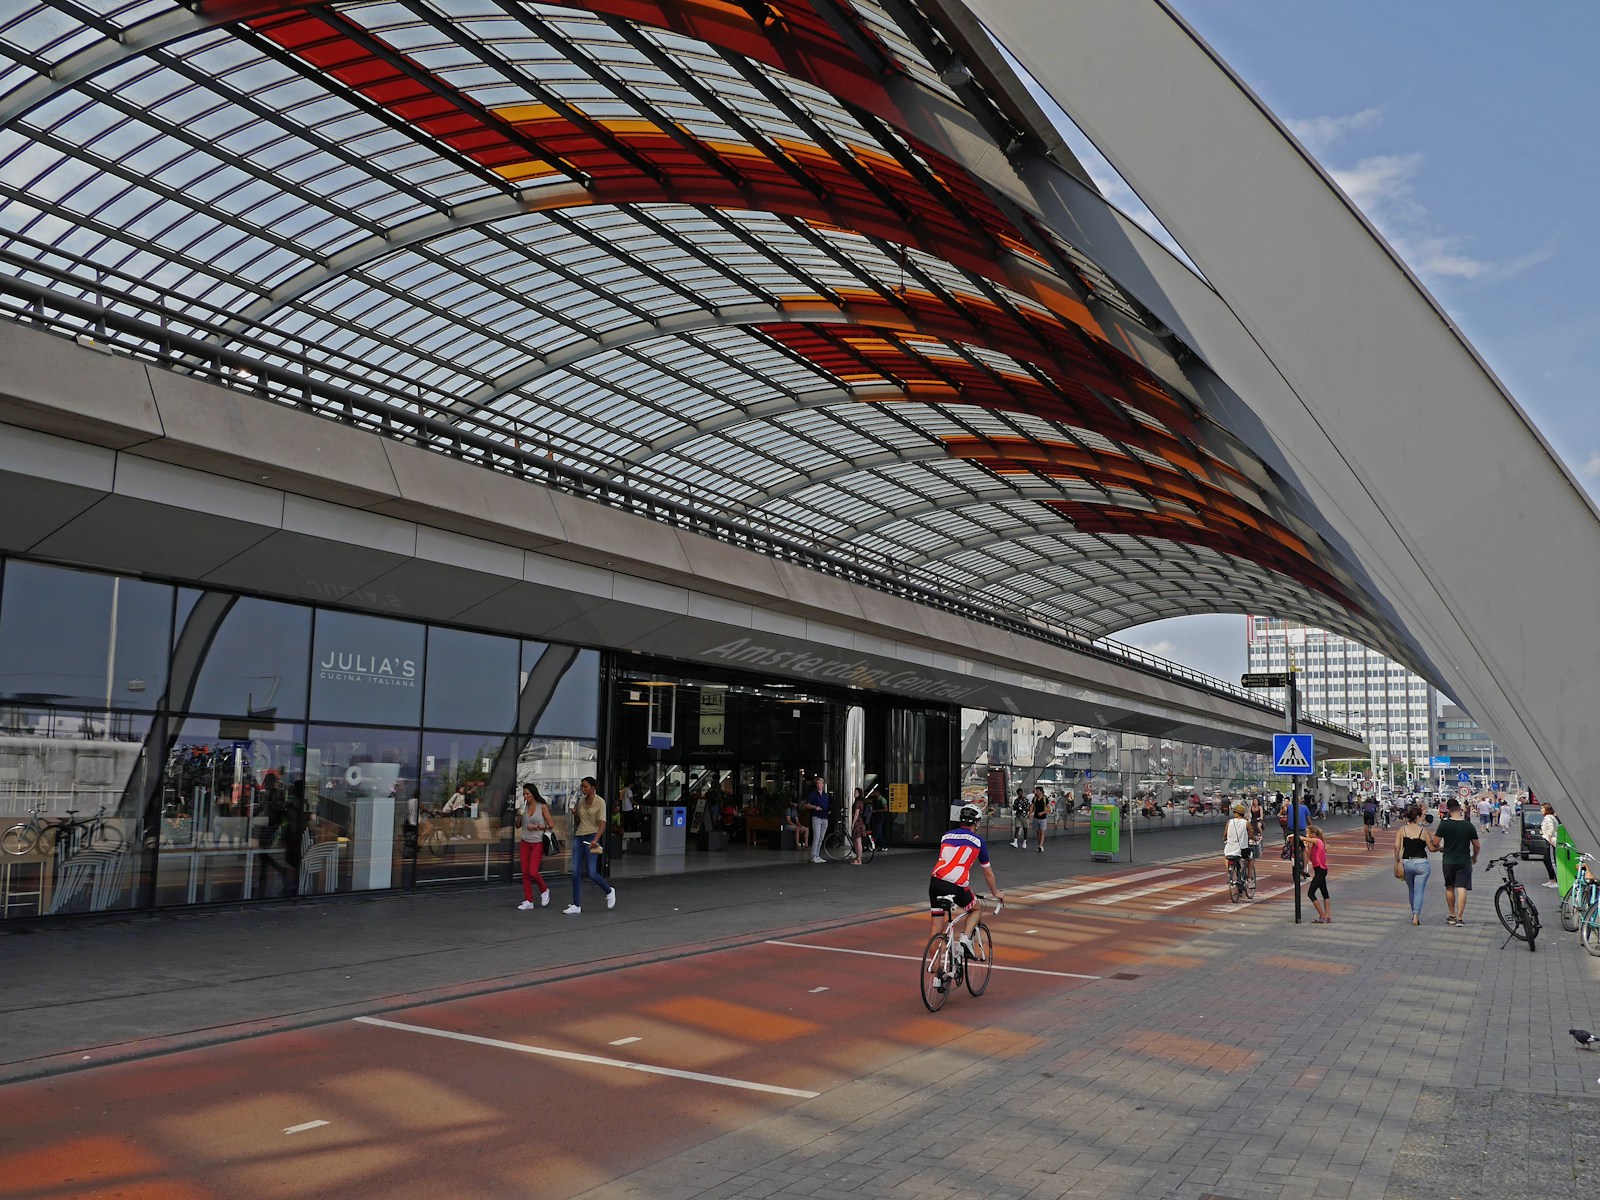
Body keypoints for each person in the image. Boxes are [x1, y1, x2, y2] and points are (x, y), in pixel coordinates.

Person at [929, 806, 1004, 980]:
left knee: (936, 929)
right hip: (957, 885)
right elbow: (987, 871)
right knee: (975, 909)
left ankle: (937, 971)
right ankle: (964, 938)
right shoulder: (978, 841)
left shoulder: (946, 836)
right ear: (976, 823)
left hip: (936, 882)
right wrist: (995, 893)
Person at [564, 776, 615, 914]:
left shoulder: (600, 802)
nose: (583, 789)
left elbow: (603, 823)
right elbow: (578, 821)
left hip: (592, 836)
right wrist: (574, 813)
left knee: (592, 872)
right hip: (579, 836)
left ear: (594, 787)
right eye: (582, 786)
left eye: (586, 786)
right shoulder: (581, 801)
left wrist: (596, 839)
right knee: (575, 872)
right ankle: (576, 905)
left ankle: (609, 891)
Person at [1428, 798, 1479, 925]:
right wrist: (1474, 856)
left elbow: (1435, 843)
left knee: (1449, 887)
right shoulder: (1468, 825)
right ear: (1459, 809)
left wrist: (1441, 848)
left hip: (1449, 860)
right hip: (1464, 860)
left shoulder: (1444, 825)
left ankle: (1452, 915)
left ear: (1448, 810)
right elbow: (1477, 845)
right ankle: (1460, 918)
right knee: (1462, 888)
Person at [516, 782, 553, 910]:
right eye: (524, 794)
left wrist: (537, 826)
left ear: (533, 793)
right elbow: (517, 825)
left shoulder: (542, 806)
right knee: (525, 873)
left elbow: (551, 825)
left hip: (537, 842)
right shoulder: (524, 807)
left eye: (528, 794)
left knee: (533, 871)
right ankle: (528, 900)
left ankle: (544, 889)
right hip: (525, 842)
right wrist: (519, 814)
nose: (525, 796)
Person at [1394, 803, 1431, 925]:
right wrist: (1440, 848)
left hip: (1407, 862)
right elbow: (1431, 848)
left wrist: (1397, 861)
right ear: (1418, 817)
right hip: (1421, 863)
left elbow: (1397, 847)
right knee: (1419, 890)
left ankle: (1413, 914)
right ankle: (1416, 915)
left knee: (1412, 889)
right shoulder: (1423, 831)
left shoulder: (1402, 830)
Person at [1304, 823, 1331, 922]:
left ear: (1312, 834)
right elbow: (1312, 859)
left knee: (1311, 893)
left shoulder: (1318, 841)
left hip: (1320, 870)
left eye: (1308, 833)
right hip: (1319, 870)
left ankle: (1322, 915)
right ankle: (1327, 916)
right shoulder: (1315, 845)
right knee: (1324, 892)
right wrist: (1307, 848)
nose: (1307, 835)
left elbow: (1307, 839)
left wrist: (1301, 838)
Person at [1222, 804, 1250, 900]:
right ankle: (1249, 879)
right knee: (1250, 858)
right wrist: (1254, 839)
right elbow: (1251, 834)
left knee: (1226, 857)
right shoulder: (1246, 823)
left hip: (1230, 848)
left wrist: (1226, 838)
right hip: (1242, 849)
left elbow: (1225, 834)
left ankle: (1230, 872)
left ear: (1236, 813)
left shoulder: (1229, 822)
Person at [804, 777, 831, 863]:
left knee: (821, 838)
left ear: (823, 785)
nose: (819, 785)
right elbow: (807, 805)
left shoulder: (825, 795)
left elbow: (827, 805)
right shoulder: (812, 794)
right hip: (816, 817)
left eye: (820, 783)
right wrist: (815, 807)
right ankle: (813, 855)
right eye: (817, 783)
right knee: (816, 837)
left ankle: (817, 854)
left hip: (824, 817)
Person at [1539, 803, 1560, 887]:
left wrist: (1549, 837)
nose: (1541, 810)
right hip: (1549, 840)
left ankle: (1556, 880)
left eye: (1542, 808)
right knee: (1548, 859)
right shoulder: (1550, 817)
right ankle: (1552, 879)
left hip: (1550, 841)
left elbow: (1550, 828)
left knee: (1550, 860)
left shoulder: (1548, 817)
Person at [850, 790, 868, 865]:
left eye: (856, 792)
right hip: (861, 822)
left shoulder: (858, 802)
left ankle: (859, 859)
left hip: (858, 823)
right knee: (856, 841)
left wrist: (853, 823)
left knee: (857, 841)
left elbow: (856, 814)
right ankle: (857, 857)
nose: (854, 793)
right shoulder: (862, 801)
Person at [1031, 785, 1050, 852]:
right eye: (1036, 791)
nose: (1036, 792)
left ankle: (1041, 845)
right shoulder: (1035, 798)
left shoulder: (1045, 798)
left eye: (1038, 791)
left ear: (1041, 792)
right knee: (1038, 832)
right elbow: (1032, 806)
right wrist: (1030, 814)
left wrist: (1042, 812)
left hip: (1043, 818)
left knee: (1042, 832)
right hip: (1036, 818)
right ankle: (1040, 846)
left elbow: (1049, 809)